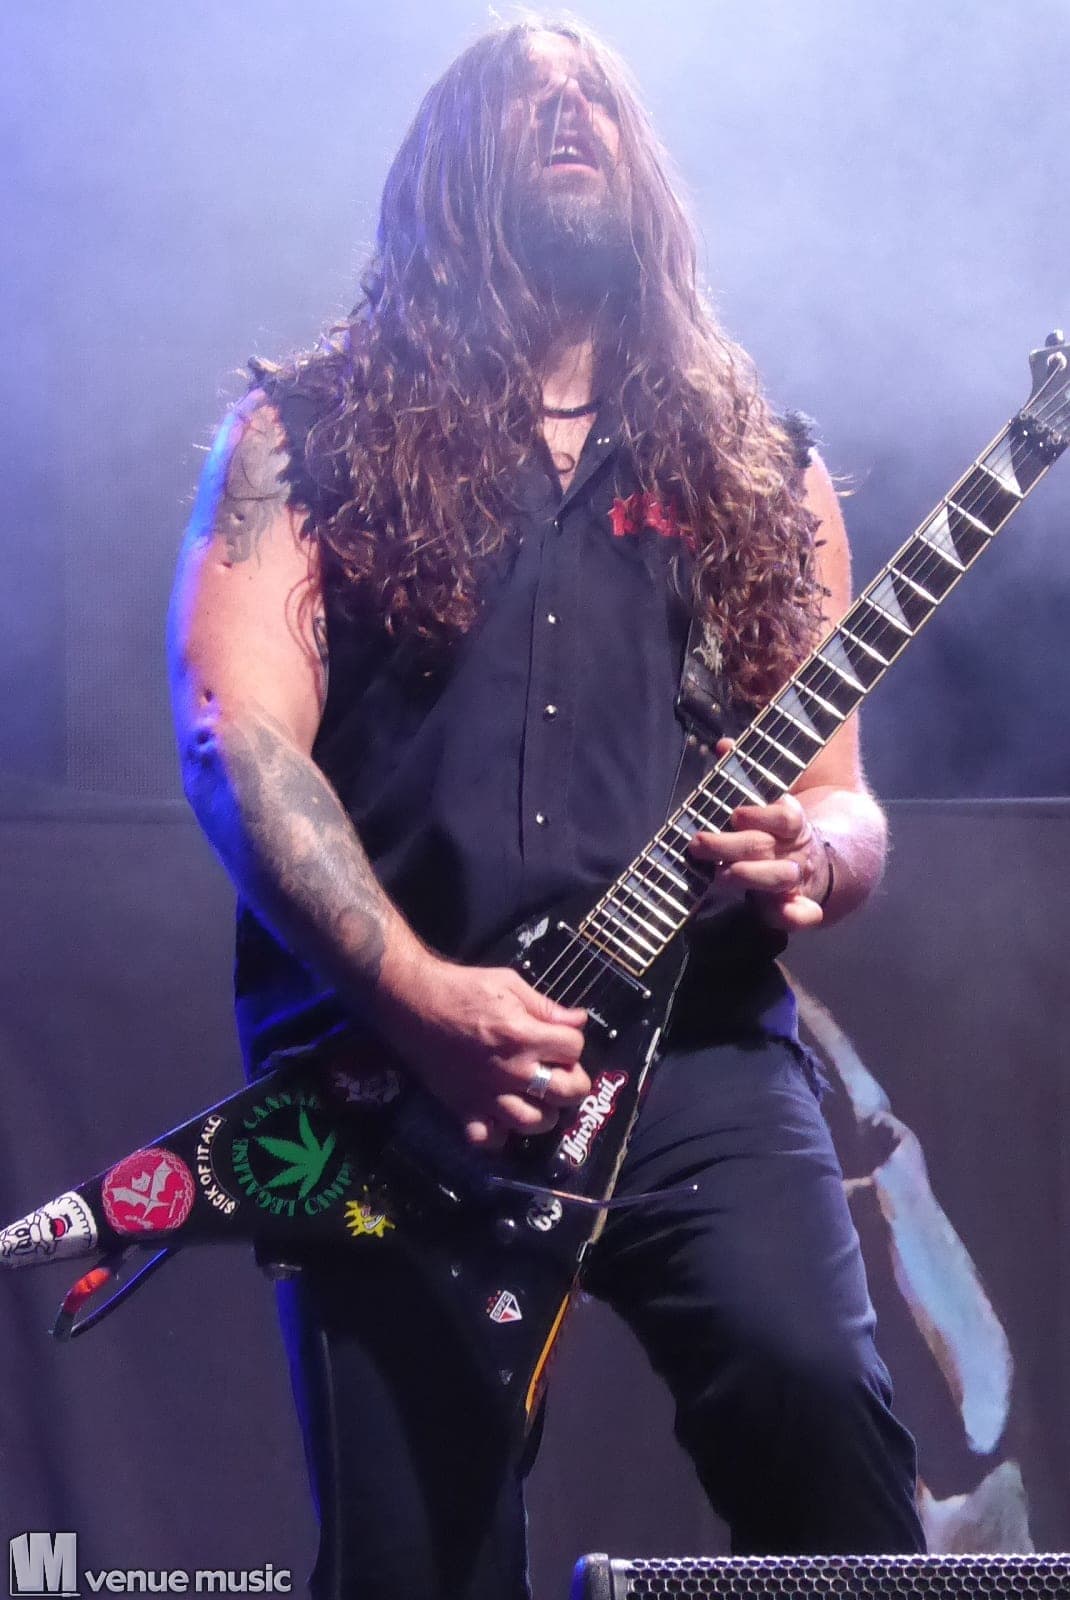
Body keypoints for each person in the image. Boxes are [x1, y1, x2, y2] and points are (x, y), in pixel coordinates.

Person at [169, 17, 925, 1598]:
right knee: (415, 1559)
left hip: (694, 1052)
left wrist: (814, 853)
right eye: (524, 94)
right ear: (444, 168)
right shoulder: (303, 437)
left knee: (820, 1422)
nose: (568, 108)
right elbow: (239, 739)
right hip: (394, 1069)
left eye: (596, 95)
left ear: (647, 173)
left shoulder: (755, 469)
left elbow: (844, 806)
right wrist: (416, 994)